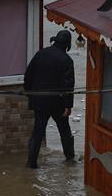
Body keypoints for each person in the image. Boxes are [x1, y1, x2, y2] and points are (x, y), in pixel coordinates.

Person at [23, 29, 75, 167]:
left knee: (38, 130)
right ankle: (70, 159)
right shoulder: (66, 60)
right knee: (64, 130)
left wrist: (29, 94)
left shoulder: (41, 54)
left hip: (39, 100)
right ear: (67, 45)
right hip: (57, 103)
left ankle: (31, 163)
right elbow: (68, 86)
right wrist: (68, 106)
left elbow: (28, 75)